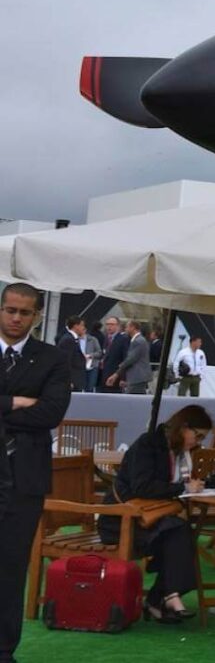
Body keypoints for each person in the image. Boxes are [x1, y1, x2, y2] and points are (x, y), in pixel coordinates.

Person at [1, 283, 73, 661]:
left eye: (24, 312)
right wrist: (13, 402)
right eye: (10, 310)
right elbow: (35, 411)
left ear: (37, 316)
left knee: (10, 569)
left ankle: (3, 651)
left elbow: (51, 413)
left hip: (24, 479)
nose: (16, 318)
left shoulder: (53, 359)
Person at [102, 403, 212, 623]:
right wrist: (183, 488)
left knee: (179, 532)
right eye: (198, 436)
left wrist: (183, 488)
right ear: (184, 428)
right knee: (179, 533)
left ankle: (165, 597)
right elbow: (142, 487)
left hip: (151, 519)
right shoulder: (148, 444)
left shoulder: (176, 450)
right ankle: (162, 598)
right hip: (121, 521)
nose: (198, 442)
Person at [65, 316, 103, 393]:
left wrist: (90, 356)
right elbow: (67, 361)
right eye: (82, 325)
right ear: (76, 326)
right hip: (73, 377)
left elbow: (99, 352)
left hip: (89, 367)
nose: (83, 328)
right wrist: (69, 379)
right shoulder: (69, 339)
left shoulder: (92, 339)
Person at [112, 320, 151, 394]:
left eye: (127, 327)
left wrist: (121, 365)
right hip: (137, 376)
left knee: (132, 397)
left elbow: (131, 358)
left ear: (132, 327)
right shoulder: (137, 340)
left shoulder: (138, 341)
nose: (125, 329)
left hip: (138, 376)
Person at [100, 315, 128, 391]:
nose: (109, 327)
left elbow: (125, 359)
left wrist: (123, 378)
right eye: (107, 324)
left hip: (116, 377)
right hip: (104, 375)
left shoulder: (123, 339)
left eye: (112, 324)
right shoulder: (106, 339)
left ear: (118, 326)